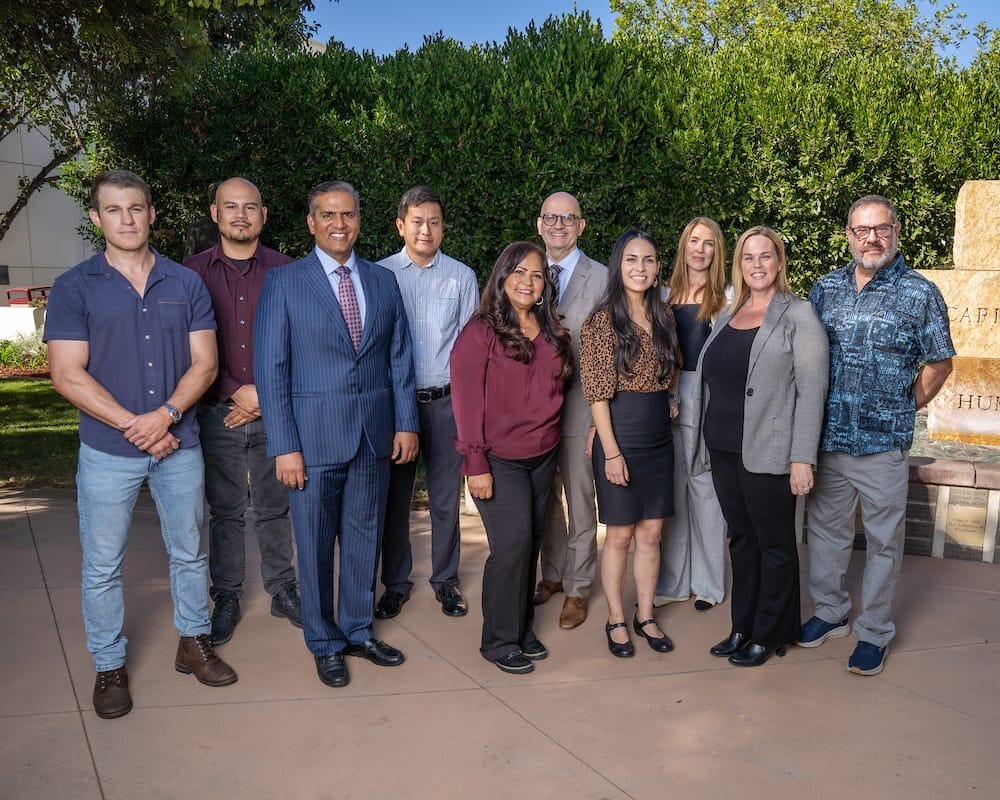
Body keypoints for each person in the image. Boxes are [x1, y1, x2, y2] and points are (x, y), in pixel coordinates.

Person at [44, 169, 237, 720]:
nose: (126, 219)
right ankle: (109, 665)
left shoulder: (185, 284)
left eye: (136, 208)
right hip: (109, 451)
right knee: (103, 565)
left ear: (152, 214)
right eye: (113, 210)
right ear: (96, 218)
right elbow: (66, 373)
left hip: (181, 442)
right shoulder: (74, 287)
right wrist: (138, 424)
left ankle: (193, 641)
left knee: (189, 551)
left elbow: (206, 363)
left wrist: (168, 416)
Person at [254, 180, 419, 689]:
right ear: (311, 222)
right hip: (311, 440)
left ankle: (357, 628)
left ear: (359, 220)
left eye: (347, 214)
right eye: (328, 215)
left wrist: (406, 421)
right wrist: (284, 445)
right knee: (316, 541)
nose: (339, 224)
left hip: (372, 435)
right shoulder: (284, 283)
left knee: (364, 539)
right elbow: (271, 370)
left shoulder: (382, 282)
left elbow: (399, 360)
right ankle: (324, 642)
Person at [800, 195, 954, 676]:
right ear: (848, 234)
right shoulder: (824, 290)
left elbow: (940, 361)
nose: (871, 238)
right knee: (825, 535)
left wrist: (906, 405)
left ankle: (874, 632)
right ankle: (830, 611)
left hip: (882, 445)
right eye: (861, 230)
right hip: (829, 442)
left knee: (885, 544)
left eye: (881, 229)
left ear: (897, 231)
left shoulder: (919, 292)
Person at [689, 226, 828, 667]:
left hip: (769, 452)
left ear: (779, 262)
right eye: (748, 257)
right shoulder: (731, 311)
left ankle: (770, 634)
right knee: (742, 541)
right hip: (725, 448)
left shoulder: (799, 315)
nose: (757, 265)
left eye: (765, 256)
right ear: (739, 265)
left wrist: (802, 458)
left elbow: (812, 390)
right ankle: (742, 626)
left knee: (775, 545)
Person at [185, 177, 301, 646]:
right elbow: (184, 349)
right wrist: (237, 390)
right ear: (215, 214)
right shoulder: (189, 274)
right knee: (226, 510)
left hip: (276, 412)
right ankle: (227, 595)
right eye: (230, 207)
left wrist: (264, 397)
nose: (240, 215)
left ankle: (282, 588)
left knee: (276, 506)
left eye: (249, 207)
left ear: (263, 214)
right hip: (218, 413)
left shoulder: (289, 271)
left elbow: (302, 345)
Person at [451, 242, 573, 674]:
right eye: (519, 272)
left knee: (532, 542)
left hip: (542, 455)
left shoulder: (551, 329)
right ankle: (498, 640)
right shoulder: (481, 331)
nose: (528, 281)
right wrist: (475, 463)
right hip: (498, 459)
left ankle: (521, 629)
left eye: (537, 275)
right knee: (511, 546)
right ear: (502, 278)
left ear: (545, 286)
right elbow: (466, 403)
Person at [376, 186, 478, 620]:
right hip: (395, 404)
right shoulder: (379, 275)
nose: (425, 229)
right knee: (394, 498)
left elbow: (471, 349)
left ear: (443, 227)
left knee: (444, 498)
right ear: (401, 225)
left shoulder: (462, 277)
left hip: (445, 402)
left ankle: (446, 580)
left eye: (433, 222)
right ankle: (395, 583)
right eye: (416, 221)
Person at [580, 229, 682, 658]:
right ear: (618, 266)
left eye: (649, 260)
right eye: (631, 260)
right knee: (619, 535)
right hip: (620, 435)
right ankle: (616, 619)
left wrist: (671, 395)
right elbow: (597, 394)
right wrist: (612, 452)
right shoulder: (602, 320)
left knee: (652, 533)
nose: (641, 268)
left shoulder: (665, 315)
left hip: (659, 437)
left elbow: (673, 365)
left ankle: (645, 615)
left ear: (658, 267)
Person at [534, 191, 609, 631]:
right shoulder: (527, 270)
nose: (558, 224)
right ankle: (553, 574)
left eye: (568, 218)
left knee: (581, 502)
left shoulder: (602, 277)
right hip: (535, 410)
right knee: (544, 502)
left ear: (581, 226)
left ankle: (578, 588)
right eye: (550, 217)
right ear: (539, 223)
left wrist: (605, 416)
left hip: (583, 407)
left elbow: (617, 344)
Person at [656, 217, 730, 612]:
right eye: (694, 242)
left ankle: (708, 584)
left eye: (709, 244)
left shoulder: (729, 298)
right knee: (674, 490)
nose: (700, 250)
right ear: (684, 247)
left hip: (709, 399)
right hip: (667, 396)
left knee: (705, 489)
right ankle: (673, 582)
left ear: (718, 252)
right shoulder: (663, 295)